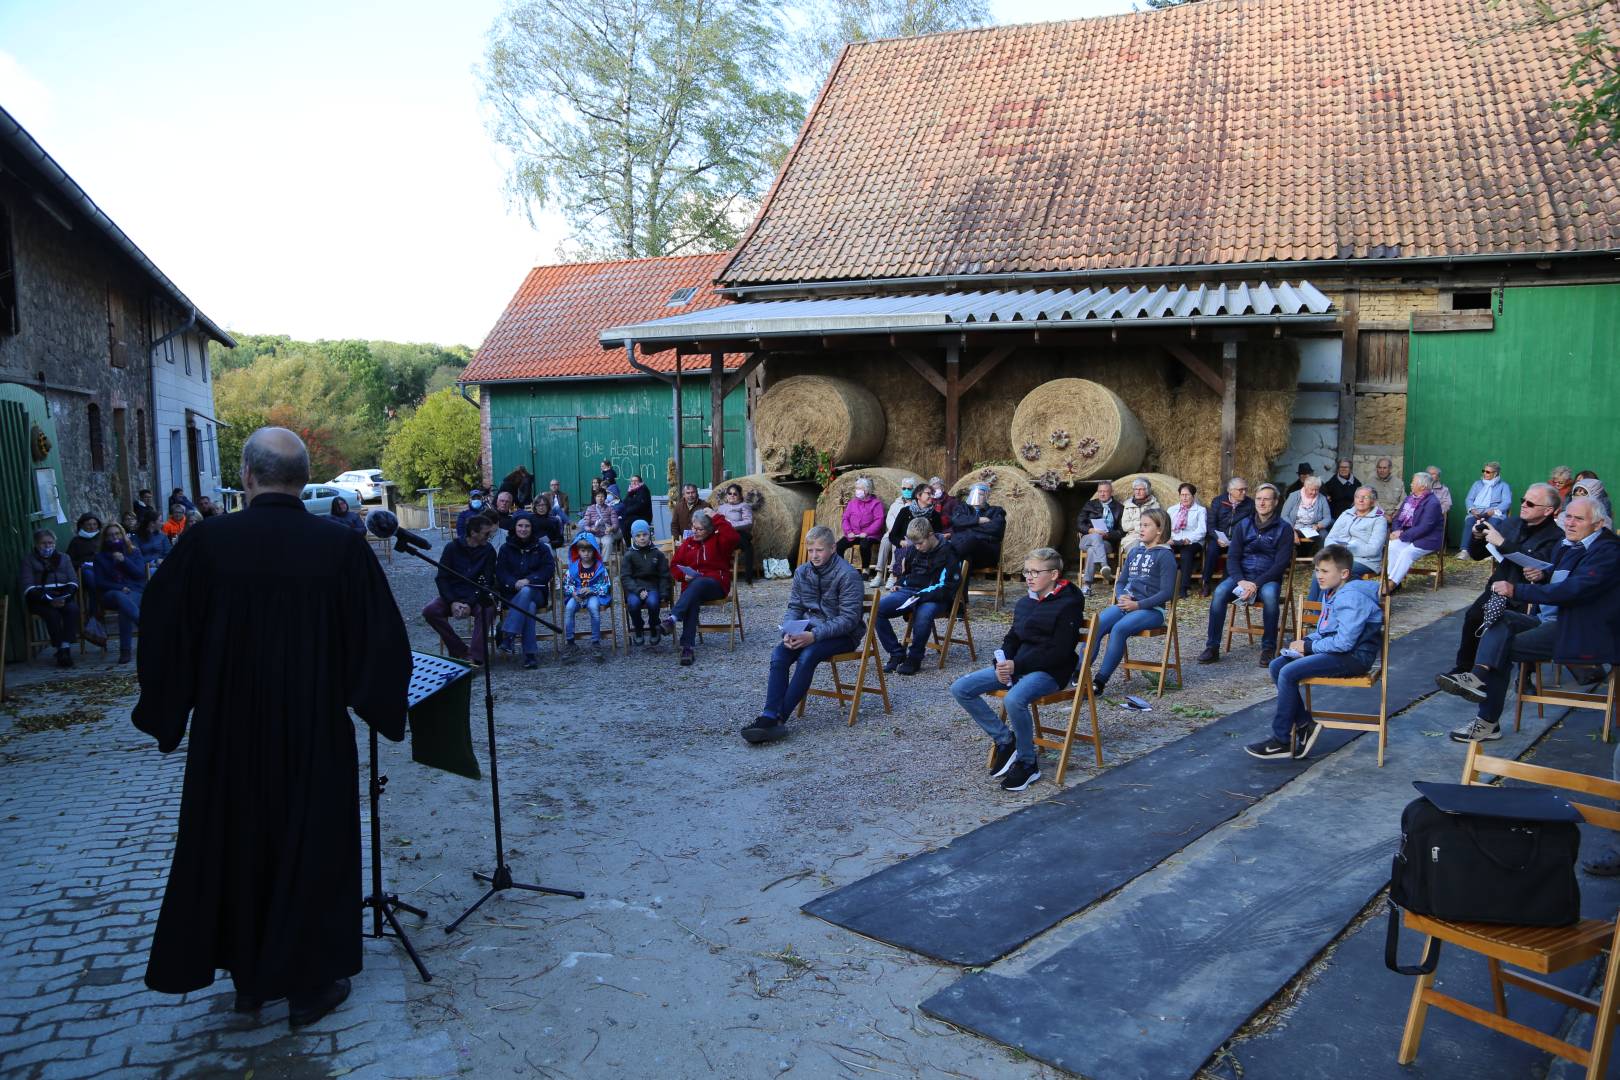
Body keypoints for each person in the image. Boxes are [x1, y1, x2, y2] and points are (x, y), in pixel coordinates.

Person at [132, 426, 410, 1028]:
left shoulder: (206, 544)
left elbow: (160, 628)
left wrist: (167, 710)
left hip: (226, 734)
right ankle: (307, 985)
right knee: (311, 846)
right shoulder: (339, 548)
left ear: (249, 477)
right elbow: (380, 640)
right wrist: (381, 707)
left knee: (235, 844)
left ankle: (249, 982)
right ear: (304, 479)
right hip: (313, 730)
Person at [1440, 496, 1620, 744]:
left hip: (1581, 629)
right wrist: (1543, 573)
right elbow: (1558, 575)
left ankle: (1487, 720)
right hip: (1549, 620)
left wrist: (1518, 590)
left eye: (1579, 518)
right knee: (1499, 620)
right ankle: (1477, 675)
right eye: (1568, 516)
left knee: (1500, 648)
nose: (1570, 523)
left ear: (1598, 524)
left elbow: (1575, 590)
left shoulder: (1608, 551)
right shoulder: (1568, 543)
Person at [950, 546, 1085, 793]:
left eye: (1035, 572)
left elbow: (1059, 651)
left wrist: (1017, 665)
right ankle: (1005, 741)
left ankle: (1027, 762)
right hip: (1018, 667)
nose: (1029, 577)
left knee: (1014, 700)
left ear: (1054, 574)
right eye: (1026, 572)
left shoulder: (1069, 604)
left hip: (1050, 672)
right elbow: (1012, 637)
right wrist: (1002, 663)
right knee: (961, 688)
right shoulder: (1025, 602)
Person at [1244, 545, 1385, 760]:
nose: (1319, 576)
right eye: (1317, 570)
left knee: (1288, 672)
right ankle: (1304, 724)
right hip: (1340, 651)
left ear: (1344, 573)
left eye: (1325, 571)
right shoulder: (1334, 591)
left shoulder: (1351, 597)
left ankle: (1281, 740)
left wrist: (1309, 647)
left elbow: (1344, 643)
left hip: (1354, 657)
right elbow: (1327, 631)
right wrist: (1306, 641)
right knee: (1278, 665)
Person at [740, 526, 866, 745]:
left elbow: (849, 620)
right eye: (811, 550)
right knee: (780, 654)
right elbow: (795, 606)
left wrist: (814, 636)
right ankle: (769, 715)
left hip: (843, 635)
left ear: (833, 548)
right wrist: (789, 631)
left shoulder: (848, 575)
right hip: (810, 630)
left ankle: (778, 720)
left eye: (820, 550)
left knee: (808, 655)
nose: (814, 556)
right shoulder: (802, 572)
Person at [1438, 482, 1563, 681]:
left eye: (1530, 504)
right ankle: (1464, 669)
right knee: (1474, 617)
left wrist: (1503, 543)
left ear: (1548, 510)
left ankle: (1525, 677)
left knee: (1519, 629)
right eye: (1523, 500)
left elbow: (1544, 565)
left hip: (1527, 593)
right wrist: (1477, 537)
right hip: (1499, 586)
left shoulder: (1556, 536)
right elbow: (1477, 554)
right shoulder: (1512, 524)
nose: (1523, 505)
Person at [1198, 483, 1293, 665]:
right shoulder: (1244, 525)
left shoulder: (1284, 528)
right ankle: (1212, 647)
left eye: (1266, 499)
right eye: (1258, 499)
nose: (1262, 503)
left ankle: (1268, 648)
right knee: (1218, 593)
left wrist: (1256, 584)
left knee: (1271, 597)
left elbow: (1280, 564)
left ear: (1275, 502)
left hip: (1268, 577)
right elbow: (1232, 558)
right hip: (1241, 576)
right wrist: (1241, 581)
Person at [1090, 509, 1176, 697]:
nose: (1141, 529)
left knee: (1119, 629)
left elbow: (1166, 593)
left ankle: (1099, 681)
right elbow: (1121, 582)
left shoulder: (1165, 555)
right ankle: (1078, 674)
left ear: (1159, 530)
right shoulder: (1135, 551)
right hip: (1127, 604)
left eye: (1146, 525)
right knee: (1097, 624)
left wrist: (1138, 605)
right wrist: (1122, 596)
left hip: (1151, 610)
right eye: (1141, 525)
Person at [872, 518, 960, 675]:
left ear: (930, 535)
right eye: (915, 544)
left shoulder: (949, 552)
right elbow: (909, 573)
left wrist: (922, 595)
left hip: (935, 595)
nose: (918, 548)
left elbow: (947, 587)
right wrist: (900, 583)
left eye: (920, 543)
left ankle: (914, 657)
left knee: (923, 614)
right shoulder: (914, 549)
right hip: (911, 591)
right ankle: (896, 653)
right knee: (877, 610)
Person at [665, 509, 740, 666]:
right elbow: (674, 566)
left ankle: (673, 618)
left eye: (700, 529)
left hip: (716, 585)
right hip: (694, 589)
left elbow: (734, 537)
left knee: (696, 585)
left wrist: (716, 516)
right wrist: (683, 576)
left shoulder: (719, 540)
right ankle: (687, 648)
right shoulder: (688, 543)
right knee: (693, 596)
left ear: (710, 529)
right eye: (693, 527)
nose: (695, 531)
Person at [424, 513, 498, 665]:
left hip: (476, 597)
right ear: (473, 533)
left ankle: (475, 657)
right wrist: (452, 602)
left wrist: (469, 603)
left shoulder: (489, 551)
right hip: (453, 596)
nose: (489, 536)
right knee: (430, 611)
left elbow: (488, 581)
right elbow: (442, 578)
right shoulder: (451, 548)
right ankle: (460, 651)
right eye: (486, 533)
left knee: (488, 609)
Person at [495, 511, 555, 669]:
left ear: (532, 528)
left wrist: (529, 580)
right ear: (514, 528)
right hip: (512, 594)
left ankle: (508, 635)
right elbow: (500, 572)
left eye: (527, 526)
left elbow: (548, 569)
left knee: (527, 592)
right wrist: (514, 583)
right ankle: (530, 655)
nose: (523, 529)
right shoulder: (505, 549)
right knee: (529, 607)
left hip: (537, 592)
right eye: (520, 525)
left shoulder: (541, 547)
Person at [17, 528, 80, 667]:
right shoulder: (29, 560)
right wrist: (49, 600)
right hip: (40, 598)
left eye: (50, 543)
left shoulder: (64, 558)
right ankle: (60, 648)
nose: (47, 546)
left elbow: (73, 581)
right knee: (52, 614)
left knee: (73, 609)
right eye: (43, 543)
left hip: (62, 595)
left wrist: (65, 596)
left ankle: (65, 646)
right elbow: (27, 586)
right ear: (36, 544)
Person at [1313, 486, 1387, 600]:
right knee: (1318, 573)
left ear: (1373, 501)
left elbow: (1373, 549)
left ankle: (1320, 613)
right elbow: (1330, 538)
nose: (1360, 500)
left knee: (1331, 574)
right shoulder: (1346, 514)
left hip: (1365, 561)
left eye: (1365, 497)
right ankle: (1311, 610)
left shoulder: (1379, 520)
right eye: (1357, 497)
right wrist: (1337, 549)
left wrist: (1348, 548)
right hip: (1340, 557)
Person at [1383, 472, 1445, 594]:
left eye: (1413, 482)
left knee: (1407, 553)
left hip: (1427, 539)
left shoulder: (1432, 502)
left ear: (1423, 486)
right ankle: (1392, 579)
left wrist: (1401, 535)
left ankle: (1391, 584)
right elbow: (1397, 518)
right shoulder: (1409, 498)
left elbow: (1425, 527)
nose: (1410, 484)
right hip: (1409, 536)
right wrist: (1396, 531)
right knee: (1393, 546)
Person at [94, 522, 147, 663]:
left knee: (125, 608)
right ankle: (146, 626)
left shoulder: (133, 552)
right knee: (120, 596)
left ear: (123, 535)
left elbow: (140, 574)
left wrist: (124, 561)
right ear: (105, 538)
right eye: (110, 535)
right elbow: (99, 582)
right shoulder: (100, 557)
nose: (114, 537)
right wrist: (119, 588)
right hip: (111, 593)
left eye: (117, 534)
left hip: (135, 591)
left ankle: (125, 651)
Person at [563, 531, 614, 662]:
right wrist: (573, 592)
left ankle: (596, 642)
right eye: (583, 550)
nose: (586, 553)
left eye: (589, 550)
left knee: (593, 608)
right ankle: (570, 642)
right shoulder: (573, 568)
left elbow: (606, 585)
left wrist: (592, 589)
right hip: (577, 596)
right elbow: (566, 584)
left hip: (593, 595)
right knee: (568, 609)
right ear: (578, 551)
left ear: (595, 551)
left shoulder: (599, 568)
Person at [1199, 478, 1254, 597]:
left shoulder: (1250, 504)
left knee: (1234, 553)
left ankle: (1224, 584)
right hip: (1219, 538)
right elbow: (1211, 524)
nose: (1244, 492)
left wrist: (1238, 539)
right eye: (1241, 490)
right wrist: (1217, 537)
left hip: (1237, 539)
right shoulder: (1218, 501)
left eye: (1245, 489)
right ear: (1230, 490)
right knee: (1212, 550)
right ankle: (1206, 582)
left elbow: (1250, 525)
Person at [621, 520, 672, 647]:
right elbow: (625, 577)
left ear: (650, 535)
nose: (642, 538)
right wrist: (638, 590)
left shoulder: (657, 554)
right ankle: (638, 627)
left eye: (644, 535)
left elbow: (664, 575)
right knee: (633, 603)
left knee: (653, 602)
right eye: (638, 536)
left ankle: (654, 626)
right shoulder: (629, 555)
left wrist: (664, 592)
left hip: (652, 586)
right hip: (635, 588)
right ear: (633, 537)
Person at [1079, 480, 1126, 593]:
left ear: (1111, 492)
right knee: (1095, 536)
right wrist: (1090, 530)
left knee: (1092, 551)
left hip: (1106, 543)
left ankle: (1087, 586)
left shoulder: (1119, 508)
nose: (1102, 494)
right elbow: (1079, 523)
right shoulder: (1090, 504)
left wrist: (1108, 534)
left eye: (1105, 491)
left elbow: (1122, 531)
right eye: (1100, 491)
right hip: (1087, 539)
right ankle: (1104, 565)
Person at [947, 482, 1006, 572]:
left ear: (987, 496)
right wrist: (978, 520)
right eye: (975, 493)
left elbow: (996, 528)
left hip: (986, 553)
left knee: (968, 539)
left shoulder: (996, 511)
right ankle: (960, 586)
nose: (977, 496)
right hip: (966, 553)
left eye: (981, 494)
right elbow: (956, 521)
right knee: (965, 559)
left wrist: (967, 528)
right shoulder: (961, 508)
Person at [874, 476, 920, 585]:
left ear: (914, 489)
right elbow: (889, 518)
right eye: (904, 488)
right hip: (892, 531)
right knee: (885, 540)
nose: (906, 491)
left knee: (896, 542)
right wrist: (891, 529)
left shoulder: (916, 505)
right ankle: (879, 574)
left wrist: (896, 532)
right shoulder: (896, 504)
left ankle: (892, 574)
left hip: (906, 534)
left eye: (909, 489)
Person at [837, 477, 886, 576]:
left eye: (859, 488)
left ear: (867, 490)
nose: (857, 491)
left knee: (864, 545)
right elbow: (845, 518)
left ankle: (865, 570)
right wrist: (848, 531)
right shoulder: (852, 503)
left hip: (870, 535)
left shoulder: (876, 504)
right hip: (853, 534)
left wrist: (867, 532)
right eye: (856, 488)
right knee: (838, 546)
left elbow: (879, 520)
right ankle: (841, 569)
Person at [1167, 483, 1207, 599]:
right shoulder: (1172, 510)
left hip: (1193, 541)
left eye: (1187, 495)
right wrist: (1169, 538)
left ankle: (1183, 588)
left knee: (1186, 554)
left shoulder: (1200, 510)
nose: (1184, 497)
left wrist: (1188, 539)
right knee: (1165, 551)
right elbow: (1167, 527)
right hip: (1175, 540)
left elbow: (1202, 530)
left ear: (1193, 496)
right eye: (1182, 495)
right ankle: (1167, 585)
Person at [713, 483, 757, 583]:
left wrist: (731, 524)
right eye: (730, 493)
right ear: (726, 495)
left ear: (740, 496)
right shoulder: (721, 508)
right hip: (723, 534)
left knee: (746, 543)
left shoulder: (744, 506)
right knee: (712, 543)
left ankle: (748, 577)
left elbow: (749, 522)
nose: (732, 496)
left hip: (738, 533)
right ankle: (716, 573)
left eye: (735, 494)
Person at [1281, 475, 1332, 558]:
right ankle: (1288, 562)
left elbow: (1327, 517)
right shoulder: (1294, 496)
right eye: (1312, 489)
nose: (1314, 492)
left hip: (1313, 528)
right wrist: (1292, 530)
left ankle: (1321, 560)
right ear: (1305, 487)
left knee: (1324, 535)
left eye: (1317, 489)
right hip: (1294, 527)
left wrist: (1319, 525)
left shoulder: (1322, 498)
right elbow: (1284, 515)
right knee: (1285, 534)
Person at [1117, 477, 1161, 558]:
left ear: (1147, 490)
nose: (1137, 492)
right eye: (1135, 489)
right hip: (1131, 538)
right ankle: (1132, 570)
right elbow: (1125, 527)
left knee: (1148, 549)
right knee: (1136, 548)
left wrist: (1134, 524)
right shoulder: (1127, 505)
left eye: (1140, 489)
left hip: (1149, 537)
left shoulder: (1154, 505)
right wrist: (1140, 523)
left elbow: (1155, 525)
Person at [1463, 460, 1513, 529]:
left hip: (1493, 512)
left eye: (1488, 472)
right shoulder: (1477, 484)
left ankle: (1490, 539)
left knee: (1493, 523)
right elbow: (1469, 499)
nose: (1484, 473)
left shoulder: (1503, 485)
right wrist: (1473, 510)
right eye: (1484, 471)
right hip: (1477, 512)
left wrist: (1493, 511)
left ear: (1495, 474)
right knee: (1469, 522)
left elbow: (1507, 502)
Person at [579, 488, 620, 563]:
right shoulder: (590, 508)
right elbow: (585, 525)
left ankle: (604, 564)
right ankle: (594, 563)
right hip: (594, 534)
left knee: (608, 542)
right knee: (593, 543)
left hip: (606, 533)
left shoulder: (610, 509)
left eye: (602, 496)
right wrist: (591, 529)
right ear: (595, 498)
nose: (600, 498)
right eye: (598, 496)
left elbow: (615, 524)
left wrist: (611, 528)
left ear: (605, 498)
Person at [617, 475, 653, 546]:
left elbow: (640, 506)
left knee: (626, 523)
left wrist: (626, 512)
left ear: (640, 482)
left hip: (643, 516)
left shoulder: (643, 489)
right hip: (634, 515)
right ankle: (630, 544)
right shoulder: (632, 490)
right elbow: (625, 502)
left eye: (635, 481)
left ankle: (631, 545)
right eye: (632, 481)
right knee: (621, 520)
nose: (633, 483)